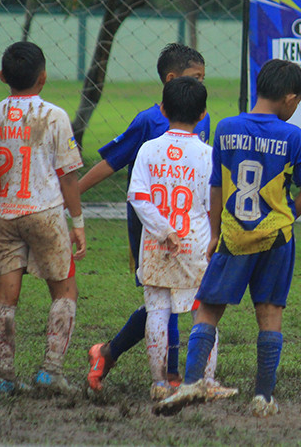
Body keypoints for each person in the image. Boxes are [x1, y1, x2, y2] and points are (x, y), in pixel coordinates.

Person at [154, 59, 301, 417]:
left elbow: (215, 186)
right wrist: (286, 218)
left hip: (233, 236)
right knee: (270, 313)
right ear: (290, 98)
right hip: (276, 239)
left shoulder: (226, 128)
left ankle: (194, 381)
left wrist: (214, 234)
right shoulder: (292, 136)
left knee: (209, 309)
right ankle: (263, 397)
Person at [83, 44, 214, 394]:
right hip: (149, 221)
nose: (202, 85)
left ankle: (109, 353)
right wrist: (74, 191)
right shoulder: (148, 121)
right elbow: (113, 162)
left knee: (163, 301)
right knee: (163, 300)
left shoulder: (203, 120)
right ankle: (169, 375)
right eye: (196, 78)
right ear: (172, 80)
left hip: (188, 223)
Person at [0, 42, 86, 393]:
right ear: (43, 77)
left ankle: (3, 377)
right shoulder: (55, 116)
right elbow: (69, 176)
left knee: (5, 296)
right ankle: (50, 371)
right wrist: (78, 222)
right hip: (44, 212)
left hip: (3, 214)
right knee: (64, 289)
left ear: (2, 77)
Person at [127, 77, 218, 401]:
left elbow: (137, 196)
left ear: (163, 109)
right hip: (196, 242)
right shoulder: (208, 154)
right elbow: (212, 206)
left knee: (157, 310)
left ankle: (160, 382)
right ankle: (205, 381)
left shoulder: (149, 149)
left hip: (156, 243)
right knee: (203, 312)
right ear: (203, 113)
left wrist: (163, 230)